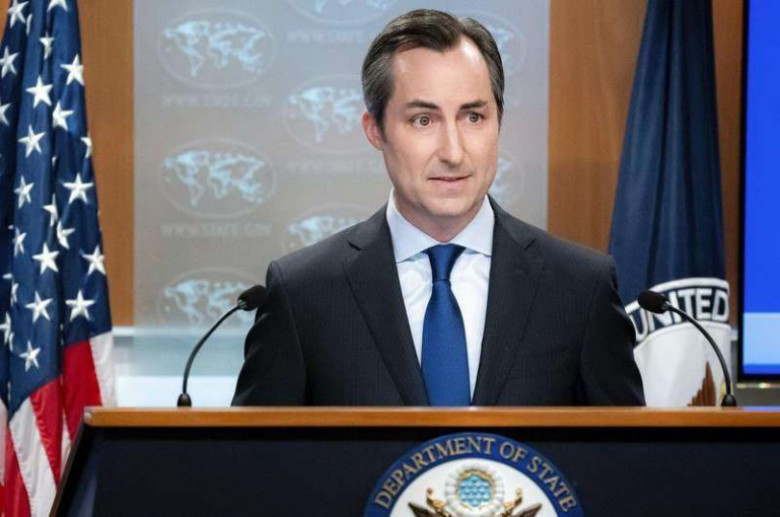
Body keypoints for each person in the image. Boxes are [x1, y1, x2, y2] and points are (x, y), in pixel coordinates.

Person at [232, 9, 644, 406]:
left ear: (499, 122)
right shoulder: (303, 293)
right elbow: (255, 453)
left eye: (473, 117)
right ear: (375, 130)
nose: (453, 152)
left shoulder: (580, 289)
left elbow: (624, 451)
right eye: (423, 120)